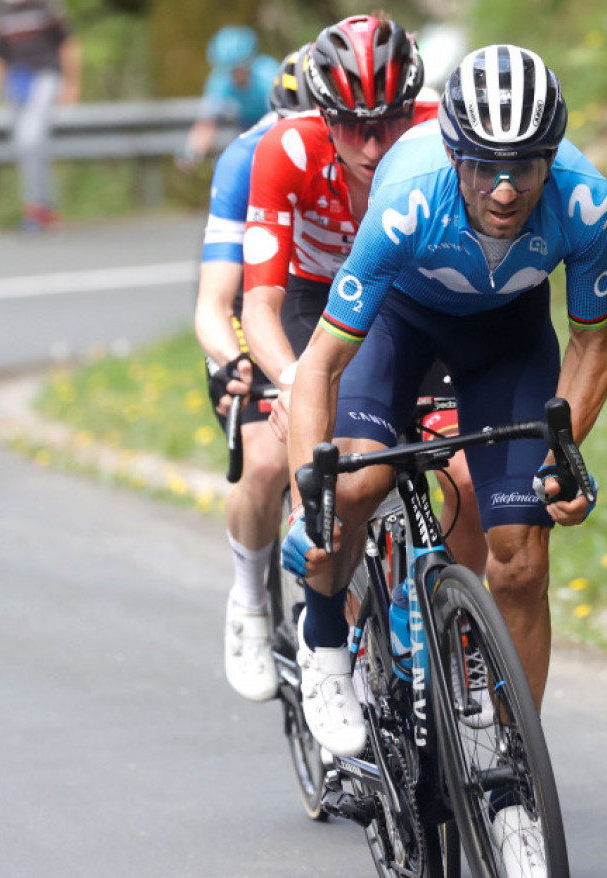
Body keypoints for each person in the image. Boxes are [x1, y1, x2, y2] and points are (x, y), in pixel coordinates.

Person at [281, 43, 607, 872]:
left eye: (526, 169)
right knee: (358, 480)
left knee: (522, 562)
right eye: (485, 170)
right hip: (400, 323)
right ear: (454, 153)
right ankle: (325, 635)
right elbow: (319, 365)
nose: (506, 191)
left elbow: (590, 344)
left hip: (508, 340)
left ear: (552, 160)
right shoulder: (404, 202)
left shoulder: (586, 204)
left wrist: (562, 453)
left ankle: (509, 775)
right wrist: (308, 494)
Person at [236, 13, 486, 699]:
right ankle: (327, 643)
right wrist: (291, 382)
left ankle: (461, 631)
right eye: (350, 124)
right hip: (314, 301)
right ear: (323, 114)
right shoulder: (284, 152)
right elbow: (260, 303)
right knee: (349, 475)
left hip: (409, 301)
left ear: (415, 107)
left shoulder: (447, 132)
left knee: (464, 474)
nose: (374, 145)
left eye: (391, 121)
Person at [195, 44, 314, 702]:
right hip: (260, 310)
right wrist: (232, 359)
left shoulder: (369, 148)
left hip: (332, 306)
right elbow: (215, 302)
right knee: (266, 463)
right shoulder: (246, 159)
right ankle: (248, 600)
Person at [0, 0, 82, 232]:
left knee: (30, 138)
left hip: (45, 77)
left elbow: (68, 44)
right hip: (16, 81)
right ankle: (43, 207)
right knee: (25, 148)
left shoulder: (45, 7)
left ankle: (35, 207)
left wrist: (72, 84)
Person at [180, 25, 278, 170]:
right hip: (245, 131)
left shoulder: (269, 75)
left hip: (274, 128)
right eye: (230, 71)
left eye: (239, 70)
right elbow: (207, 123)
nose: (235, 76)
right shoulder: (219, 82)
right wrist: (191, 153)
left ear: (249, 63)